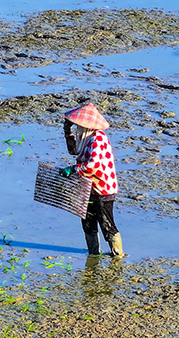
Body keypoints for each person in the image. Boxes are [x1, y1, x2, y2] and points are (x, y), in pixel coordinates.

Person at [60, 103, 124, 257]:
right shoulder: (86, 138)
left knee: (106, 224)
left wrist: (74, 169)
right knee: (88, 223)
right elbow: (74, 150)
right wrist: (67, 131)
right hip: (88, 188)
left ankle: (118, 255)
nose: (77, 127)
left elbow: (93, 165)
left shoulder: (98, 139)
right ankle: (93, 254)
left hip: (102, 189)